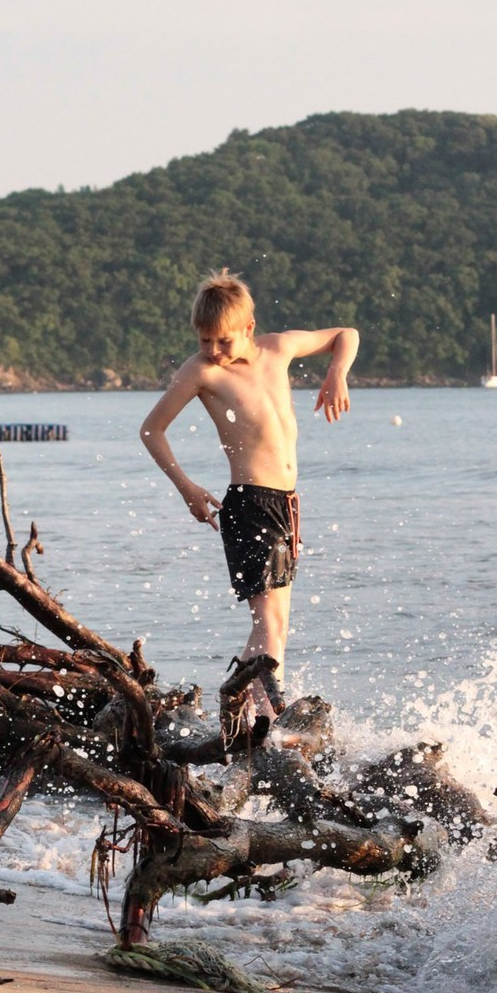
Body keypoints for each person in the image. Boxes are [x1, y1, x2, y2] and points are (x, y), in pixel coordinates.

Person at [139, 269, 359, 718]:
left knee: (276, 623)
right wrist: (188, 488)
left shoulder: (278, 349)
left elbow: (346, 334)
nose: (213, 351)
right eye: (205, 341)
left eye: (223, 341)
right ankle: (268, 718)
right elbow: (152, 430)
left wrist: (337, 373)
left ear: (249, 329)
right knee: (270, 622)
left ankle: (241, 709)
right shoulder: (200, 372)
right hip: (249, 504)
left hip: (286, 505)